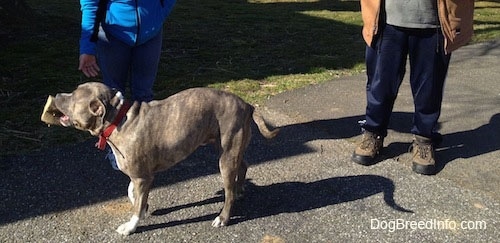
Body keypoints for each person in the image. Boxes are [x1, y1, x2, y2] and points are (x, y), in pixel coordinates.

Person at [352, 0, 474, 175]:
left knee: (429, 88)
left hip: (434, 22)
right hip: (386, 20)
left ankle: (424, 139)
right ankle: (373, 132)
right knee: (380, 84)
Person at [78, 0, 176, 102]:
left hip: (150, 35)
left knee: (144, 96)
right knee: (114, 95)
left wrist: (159, 15)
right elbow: (90, 5)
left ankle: (143, 117)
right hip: (112, 36)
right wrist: (87, 48)